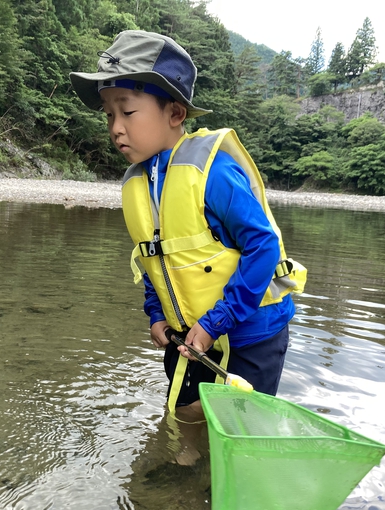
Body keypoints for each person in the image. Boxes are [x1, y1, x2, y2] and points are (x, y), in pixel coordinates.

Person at [69, 31, 305, 459]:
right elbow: (152, 259)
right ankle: (179, 494)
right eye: (108, 115)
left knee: (240, 434)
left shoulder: (212, 172)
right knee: (183, 418)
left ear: (175, 112)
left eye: (127, 111)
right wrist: (156, 314)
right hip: (189, 337)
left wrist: (218, 321)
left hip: (252, 333)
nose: (115, 128)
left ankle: (224, 499)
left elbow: (264, 248)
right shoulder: (139, 183)